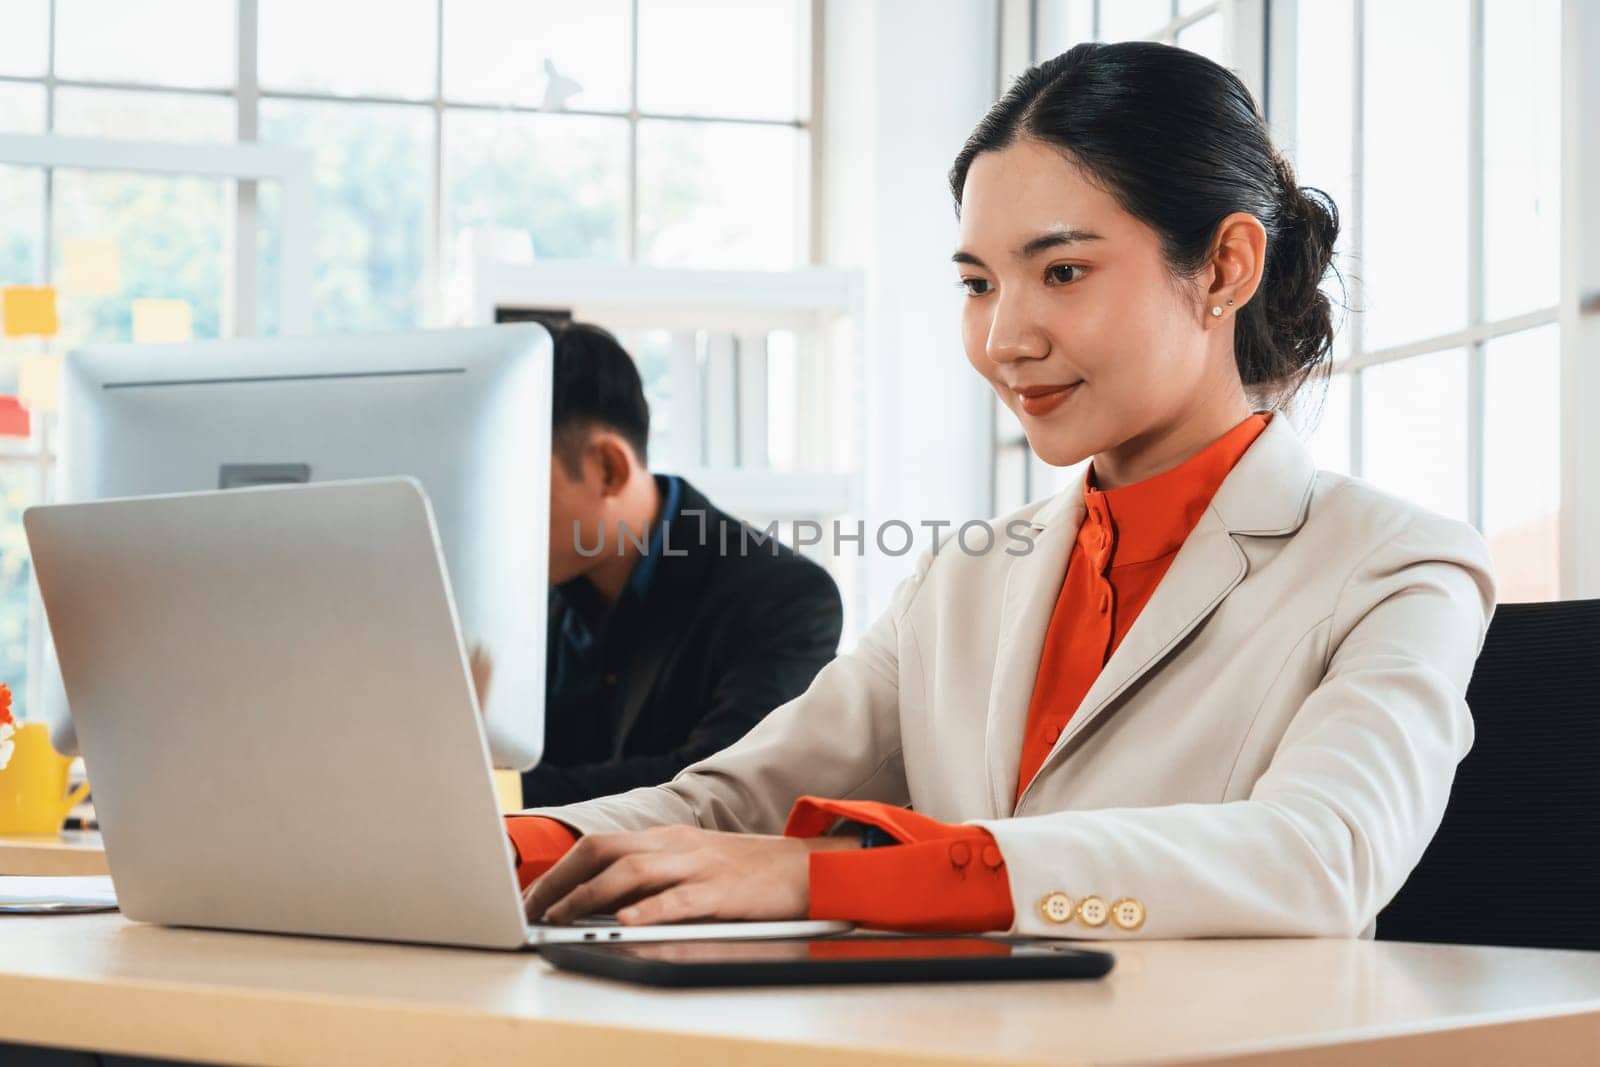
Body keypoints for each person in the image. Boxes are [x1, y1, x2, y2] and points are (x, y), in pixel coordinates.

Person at [500, 42, 1497, 941]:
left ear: (1224, 266)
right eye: (978, 284)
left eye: (1061, 271)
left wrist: (846, 875)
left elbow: (1316, 857)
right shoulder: (964, 575)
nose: (1003, 338)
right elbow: (727, 804)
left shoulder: (1396, 565)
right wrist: (487, 844)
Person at [503, 321, 844, 807]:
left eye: (517, 485)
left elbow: (717, 786)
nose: (500, 514)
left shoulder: (785, 596)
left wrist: (494, 793)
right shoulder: (535, 592)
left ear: (608, 468)